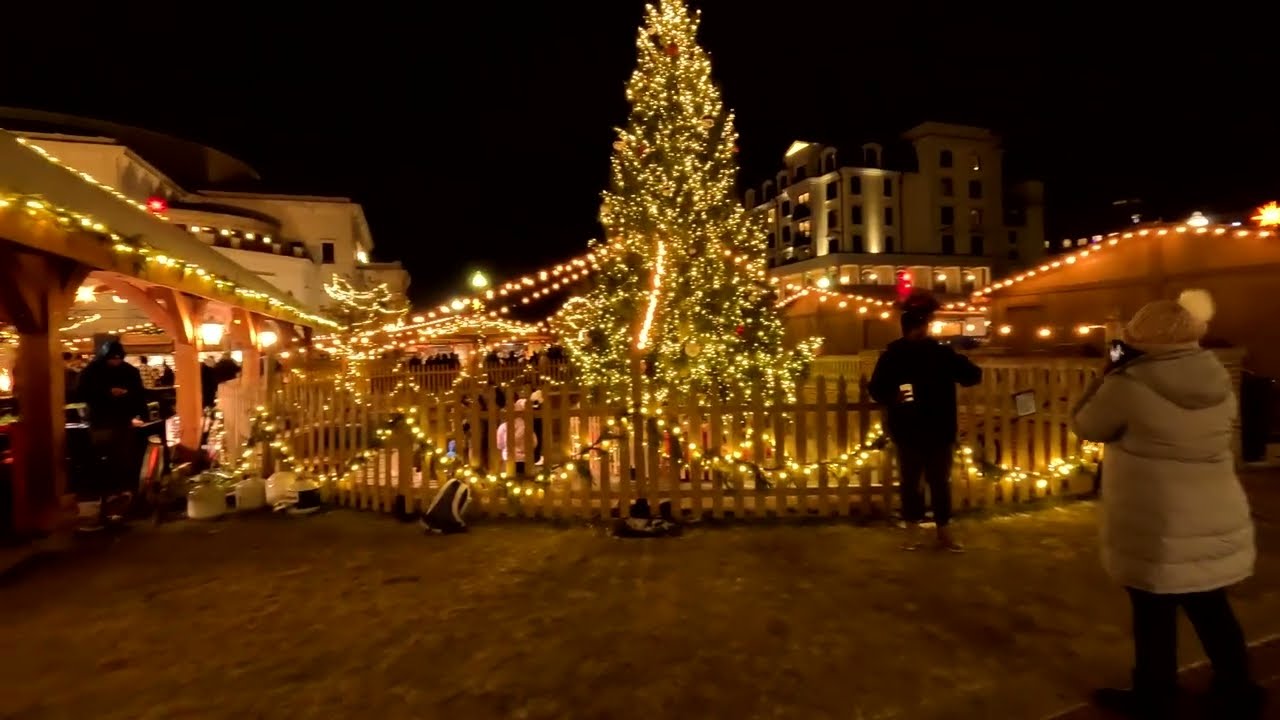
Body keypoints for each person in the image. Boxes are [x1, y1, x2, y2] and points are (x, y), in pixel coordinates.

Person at [1073, 290, 1264, 718]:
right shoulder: (1215, 377)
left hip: (1157, 517)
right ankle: (1238, 687)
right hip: (1214, 510)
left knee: (1153, 611)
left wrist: (1106, 373)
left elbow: (1087, 425)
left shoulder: (1128, 384)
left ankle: (1154, 695)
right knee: (1212, 606)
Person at [868, 289, 981, 552]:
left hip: (939, 429)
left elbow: (972, 375)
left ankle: (944, 531)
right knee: (910, 483)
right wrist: (894, 396)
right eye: (918, 326)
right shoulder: (893, 356)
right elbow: (876, 388)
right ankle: (912, 530)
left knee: (940, 482)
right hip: (907, 429)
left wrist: (959, 359)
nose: (922, 331)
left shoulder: (940, 354)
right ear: (908, 328)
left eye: (924, 325)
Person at [76, 339, 146, 529]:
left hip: (122, 421)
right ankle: (107, 497)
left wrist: (133, 406)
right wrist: (107, 393)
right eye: (112, 358)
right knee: (103, 459)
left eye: (118, 358)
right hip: (100, 421)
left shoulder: (129, 371)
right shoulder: (92, 372)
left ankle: (118, 496)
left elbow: (139, 393)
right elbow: (81, 393)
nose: (115, 362)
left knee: (121, 457)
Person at [496, 398, 536, 475]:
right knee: (525, 479)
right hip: (525, 458)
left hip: (508, 458)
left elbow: (499, 445)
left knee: (510, 479)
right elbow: (534, 443)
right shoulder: (528, 427)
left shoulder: (503, 427)